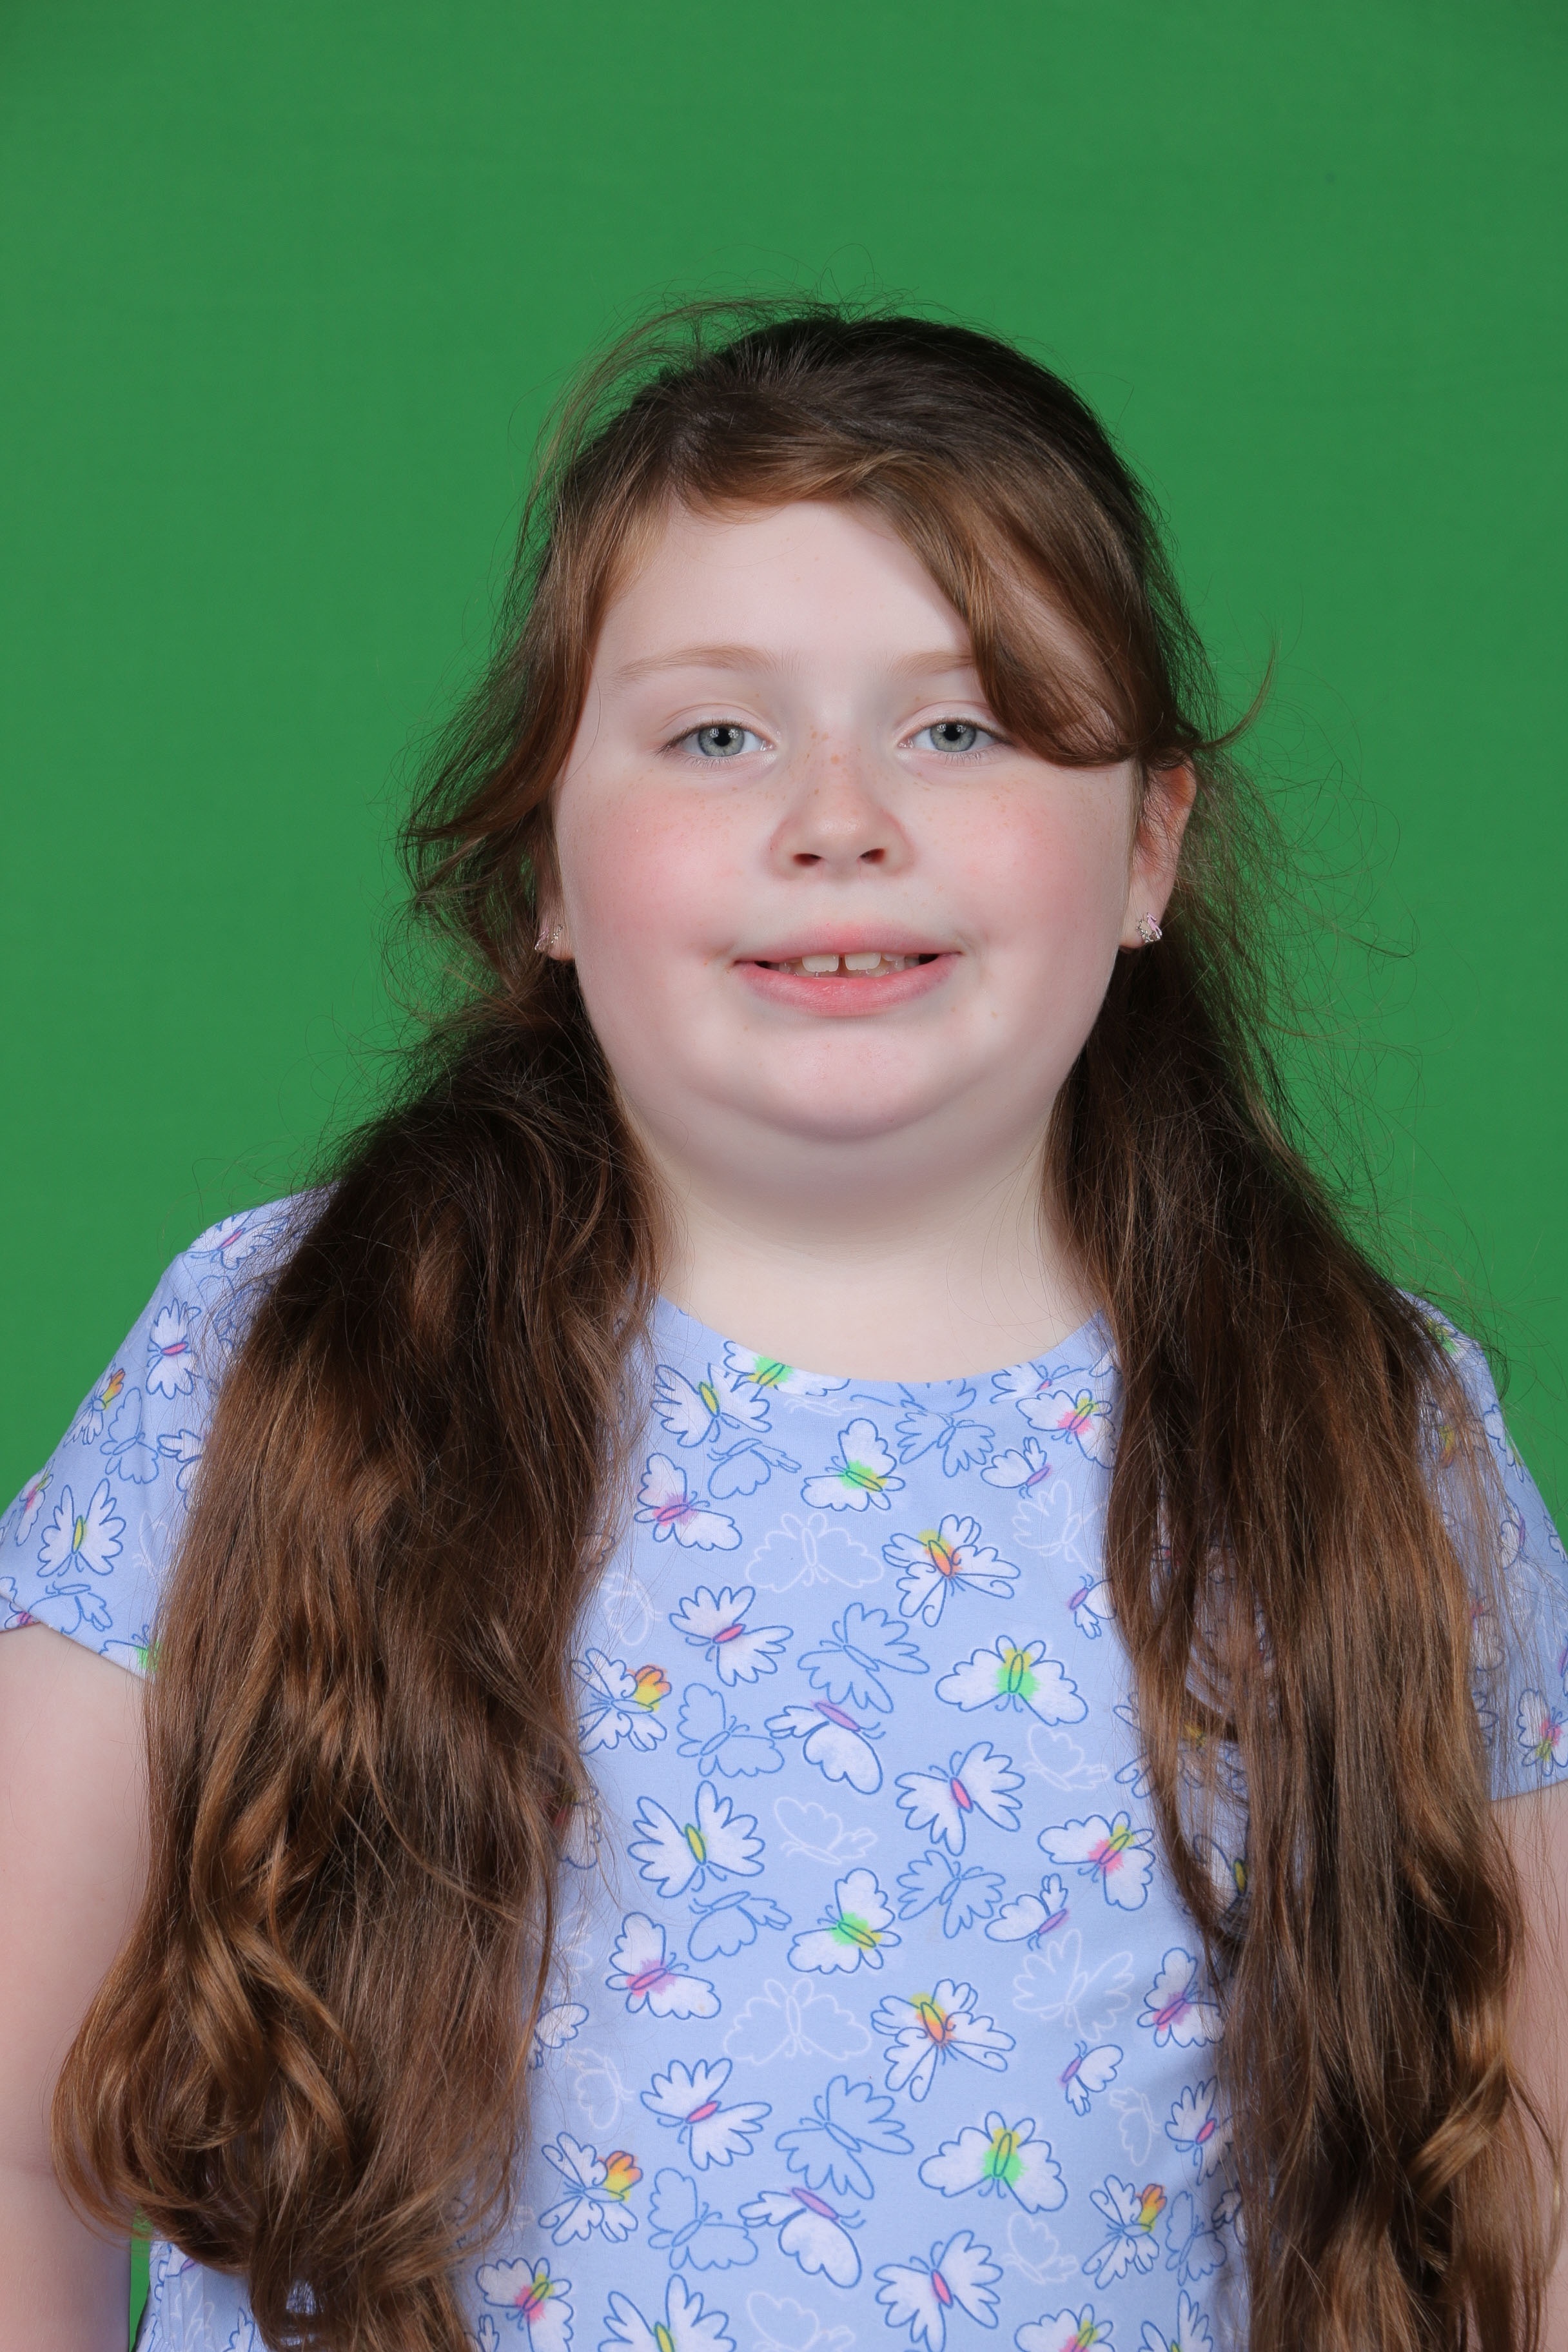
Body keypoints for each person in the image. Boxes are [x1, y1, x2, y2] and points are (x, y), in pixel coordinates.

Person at [2, 303, 1565, 2352]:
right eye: (718, 736)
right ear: (550, 871)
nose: (840, 815)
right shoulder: (279, 1352)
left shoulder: (1364, 1426)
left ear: (1150, 849)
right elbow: (18, 2132)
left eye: (964, 728)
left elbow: (1529, 2187)